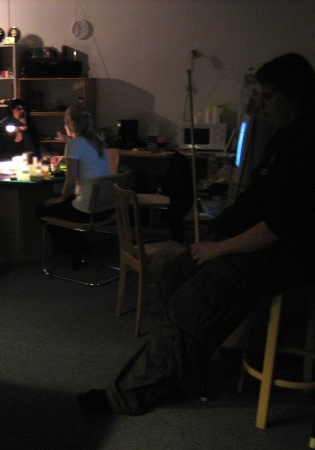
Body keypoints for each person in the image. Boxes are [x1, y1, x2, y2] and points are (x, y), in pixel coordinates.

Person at [77, 53, 315, 415]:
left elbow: (280, 227)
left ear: (294, 95)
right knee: (173, 274)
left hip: (283, 255)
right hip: (249, 243)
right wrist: (218, 233)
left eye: (268, 97)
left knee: (198, 298)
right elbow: (257, 195)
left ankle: (128, 394)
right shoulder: (283, 136)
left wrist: (220, 248)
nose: (261, 106)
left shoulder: (308, 146)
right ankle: (173, 370)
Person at [35, 105, 110, 268]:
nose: (64, 125)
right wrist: (65, 159)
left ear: (72, 124)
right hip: (105, 207)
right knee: (62, 201)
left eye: (65, 121)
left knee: (42, 208)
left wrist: (61, 197)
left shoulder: (74, 144)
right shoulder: (98, 142)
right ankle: (80, 244)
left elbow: (70, 180)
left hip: (86, 210)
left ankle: (74, 247)